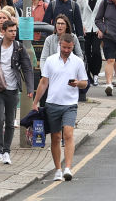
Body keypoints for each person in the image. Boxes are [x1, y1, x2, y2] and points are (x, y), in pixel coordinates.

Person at [28, 34, 89, 182]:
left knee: (68, 133)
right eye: (64, 47)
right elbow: (43, 82)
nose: (67, 50)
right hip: (52, 103)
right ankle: (58, 169)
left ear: (73, 46)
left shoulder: (77, 62)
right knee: (55, 138)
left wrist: (77, 83)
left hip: (70, 105)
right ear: (59, 45)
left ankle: (68, 167)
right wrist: (35, 102)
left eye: (69, 48)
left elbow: (85, 83)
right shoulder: (50, 61)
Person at [0, 18, 32, 163]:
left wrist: (30, 88)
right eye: (10, 31)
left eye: (15, 31)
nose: (13, 33)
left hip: (12, 90)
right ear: (3, 31)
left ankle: (6, 152)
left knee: (10, 122)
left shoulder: (19, 47)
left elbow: (27, 68)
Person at [77, 0, 103, 86]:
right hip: (86, 29)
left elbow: (104, 15)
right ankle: (87, 75)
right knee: (86, 53)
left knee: (96, 52)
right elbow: (78, 13)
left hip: (97, 29)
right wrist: (80, 26)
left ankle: (95, 74)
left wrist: (102, 28)